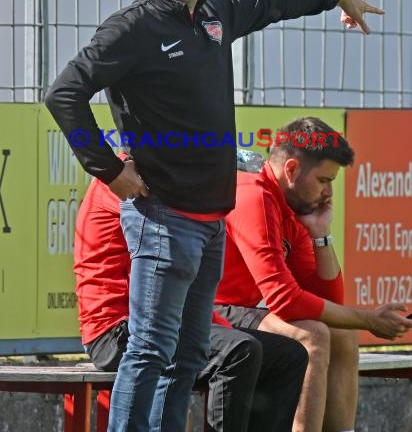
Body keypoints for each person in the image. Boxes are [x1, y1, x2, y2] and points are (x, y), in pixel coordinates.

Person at [45, 0, 385, 431]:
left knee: (186, 356)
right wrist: (110, 171)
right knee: (152, 350)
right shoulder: (131, 28)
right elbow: (63, 94)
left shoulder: (212, 16)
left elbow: (271, 1)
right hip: (162, 218)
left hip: (209, 222)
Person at [214, 117, 412, 432]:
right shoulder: (254, 196)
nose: (328, 192)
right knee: (313, 335)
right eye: (323, 180)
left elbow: (328, 300)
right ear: (291, 169)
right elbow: (285, 300)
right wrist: (368, 319)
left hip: (241, 309)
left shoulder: (294, 207)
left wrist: (321, 234)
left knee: (342, 332)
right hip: (210, 312)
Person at [74, 166, 308, 432]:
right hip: (116, 330)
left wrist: (322, 234)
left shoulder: (174, 182)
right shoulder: (132, 178)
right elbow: (165, 268)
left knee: (289, 355)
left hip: (167, 319)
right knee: (239, 351)